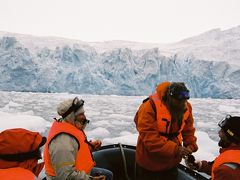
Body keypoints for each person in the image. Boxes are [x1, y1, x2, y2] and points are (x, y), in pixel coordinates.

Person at [135, 81, 198, 180]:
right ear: (170, 97)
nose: (183, 104)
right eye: (179, 101)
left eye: (185, 101)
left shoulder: (185, 106)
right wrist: (176, 149)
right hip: (149, 163)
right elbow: (149, 138)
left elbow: (188, 130)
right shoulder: (149, 107)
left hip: (171, 162)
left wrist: (190, 145)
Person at [44, 97, 113, 180]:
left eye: (83, 113)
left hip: (81, 172)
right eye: (80, 114)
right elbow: (65, 176)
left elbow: (73, 151)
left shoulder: (69, 127)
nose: (84, 117)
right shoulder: (63, 142)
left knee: (108, 175)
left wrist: (90, 147)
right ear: (71, 116)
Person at [185, 115, 240, 180]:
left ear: (231, 136)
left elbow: (224, 171)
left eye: (222, 131)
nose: (219, 133)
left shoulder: (228, 171)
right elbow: (219, 167)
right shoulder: (234, 155)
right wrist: (200, 165)